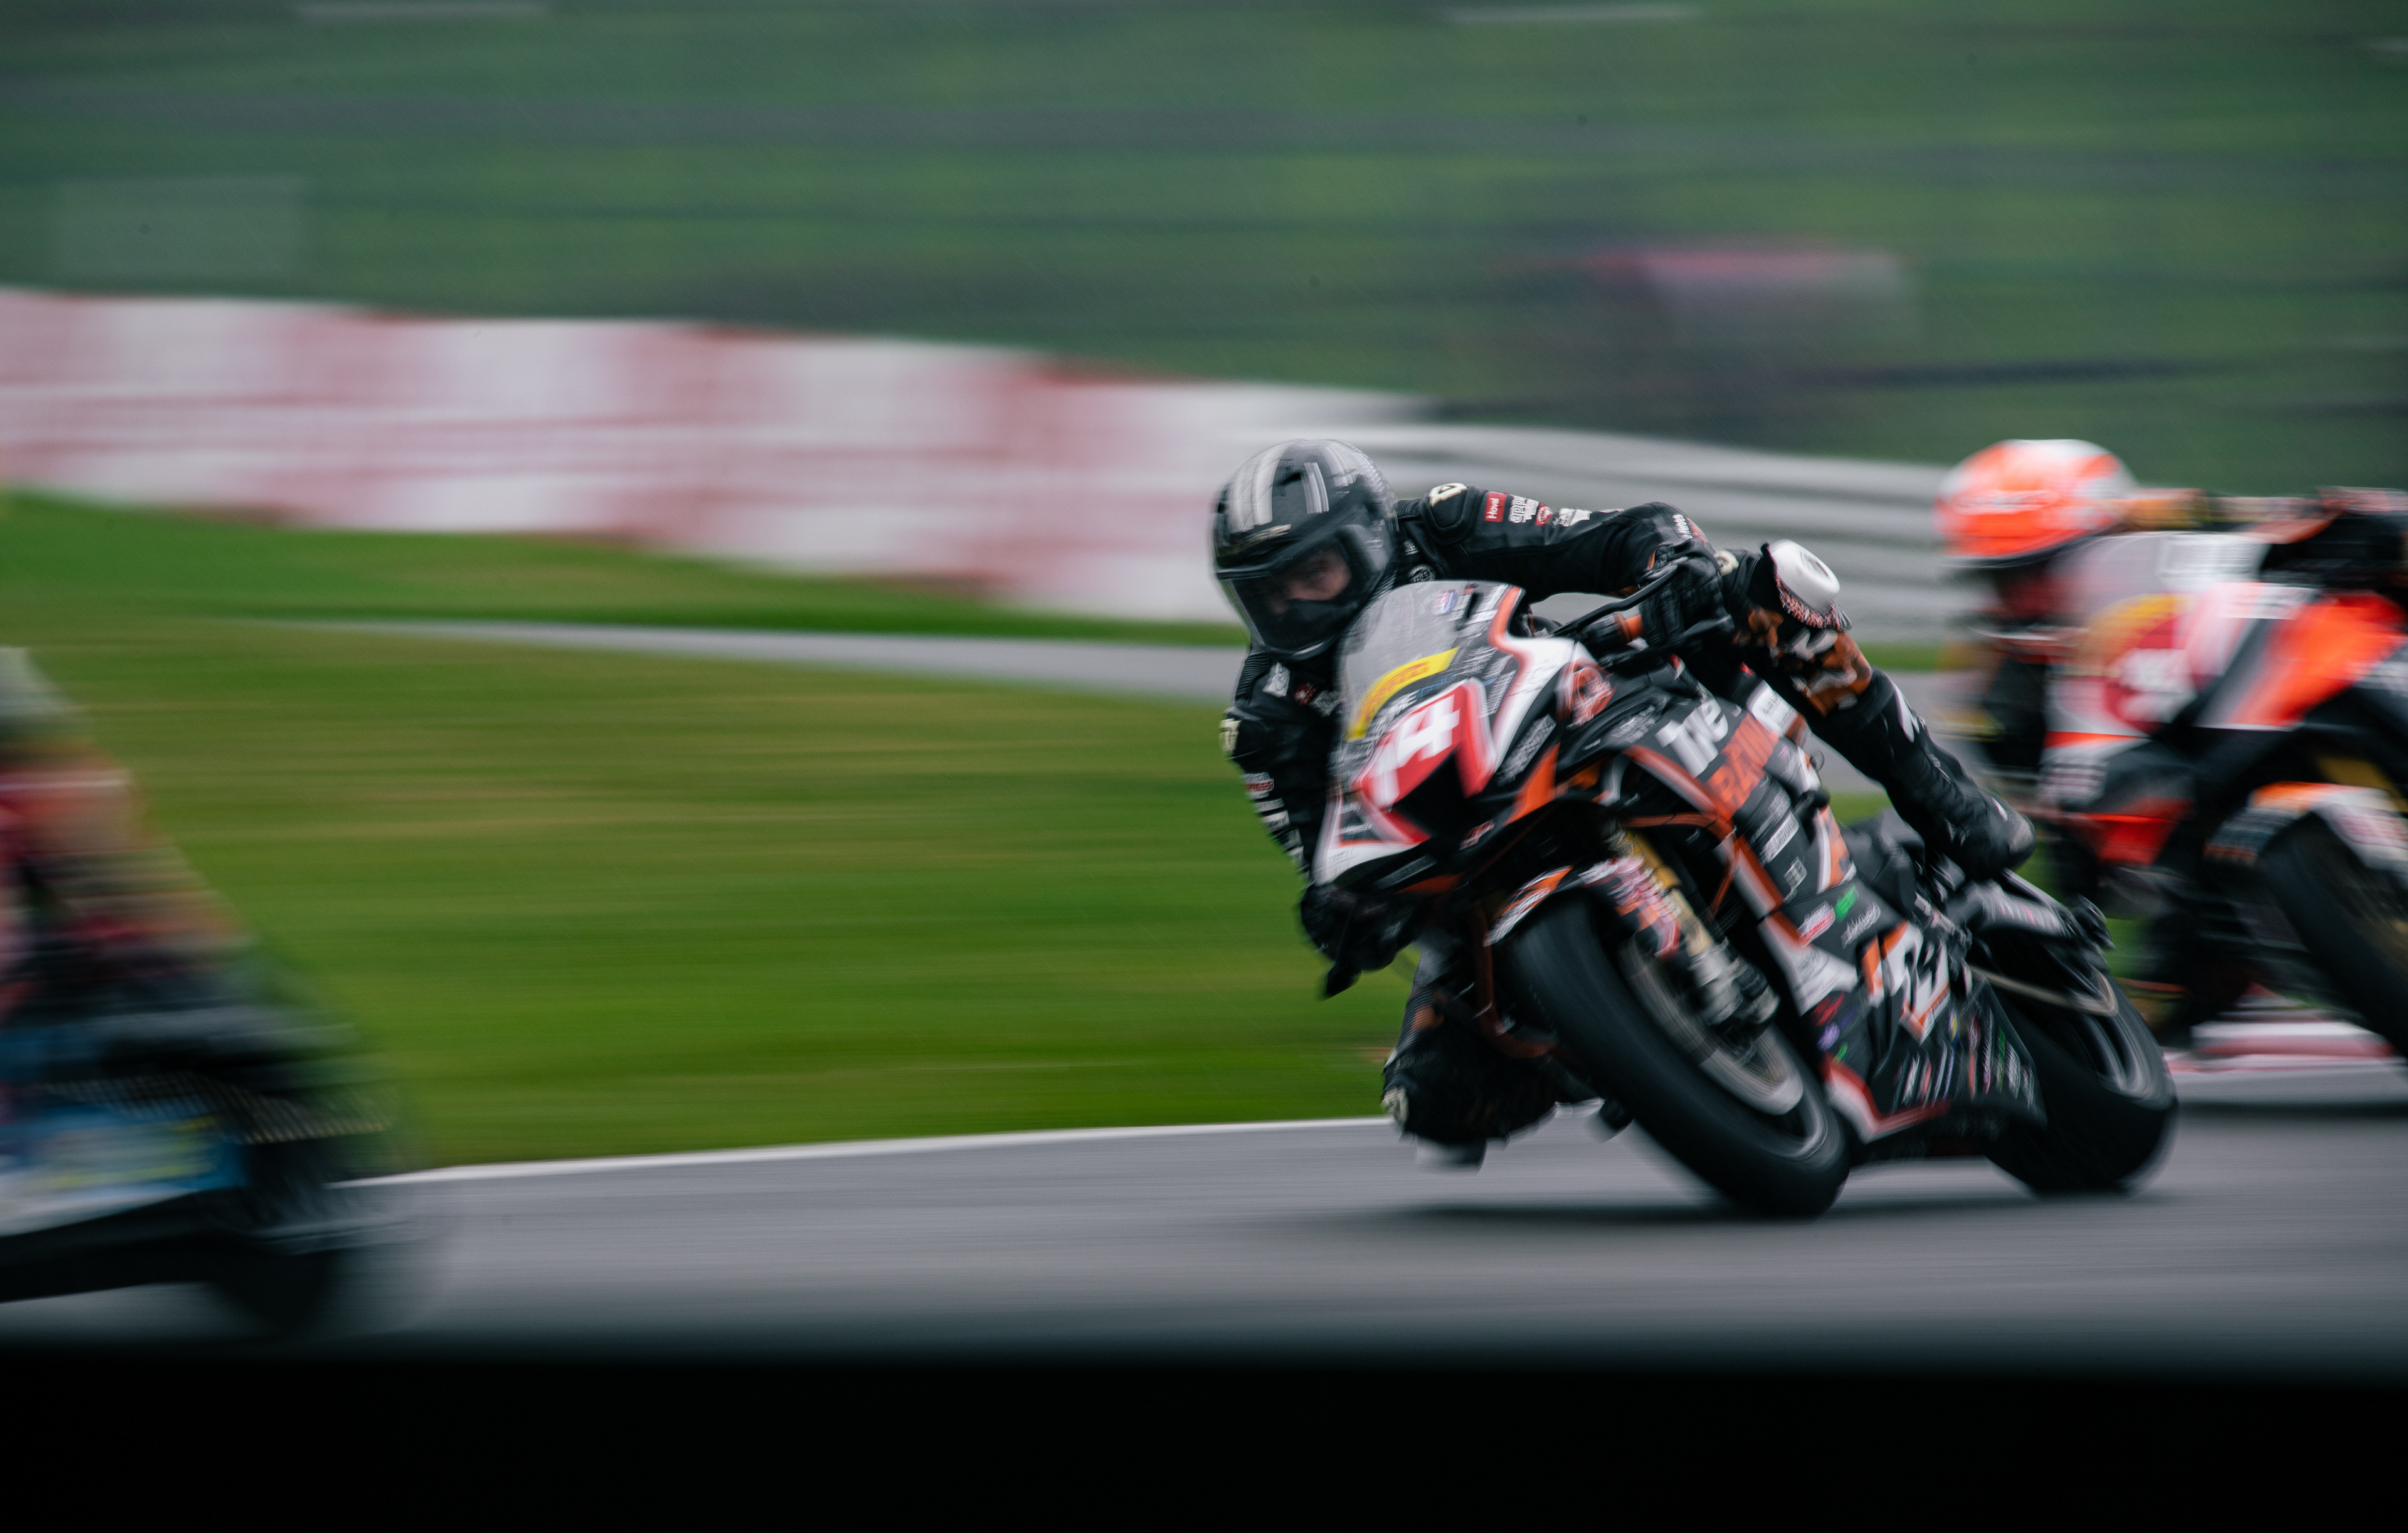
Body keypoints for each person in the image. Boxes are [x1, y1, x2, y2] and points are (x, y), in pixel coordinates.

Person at [1213, 438, 2033, 1157]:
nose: (1297, 604)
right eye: (1270, 594)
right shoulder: (1266, 722)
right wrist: (1342, 913)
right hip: (1463, 855)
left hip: (1576, 712)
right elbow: (1328, 852)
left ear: (1368, 535)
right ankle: (1640, 1044)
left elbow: (1610, 534)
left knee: (1762, 589)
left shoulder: (1443, 526)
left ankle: (1939, 794)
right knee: (1433, 1102)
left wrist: (1668, 566)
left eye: (1314, 573)